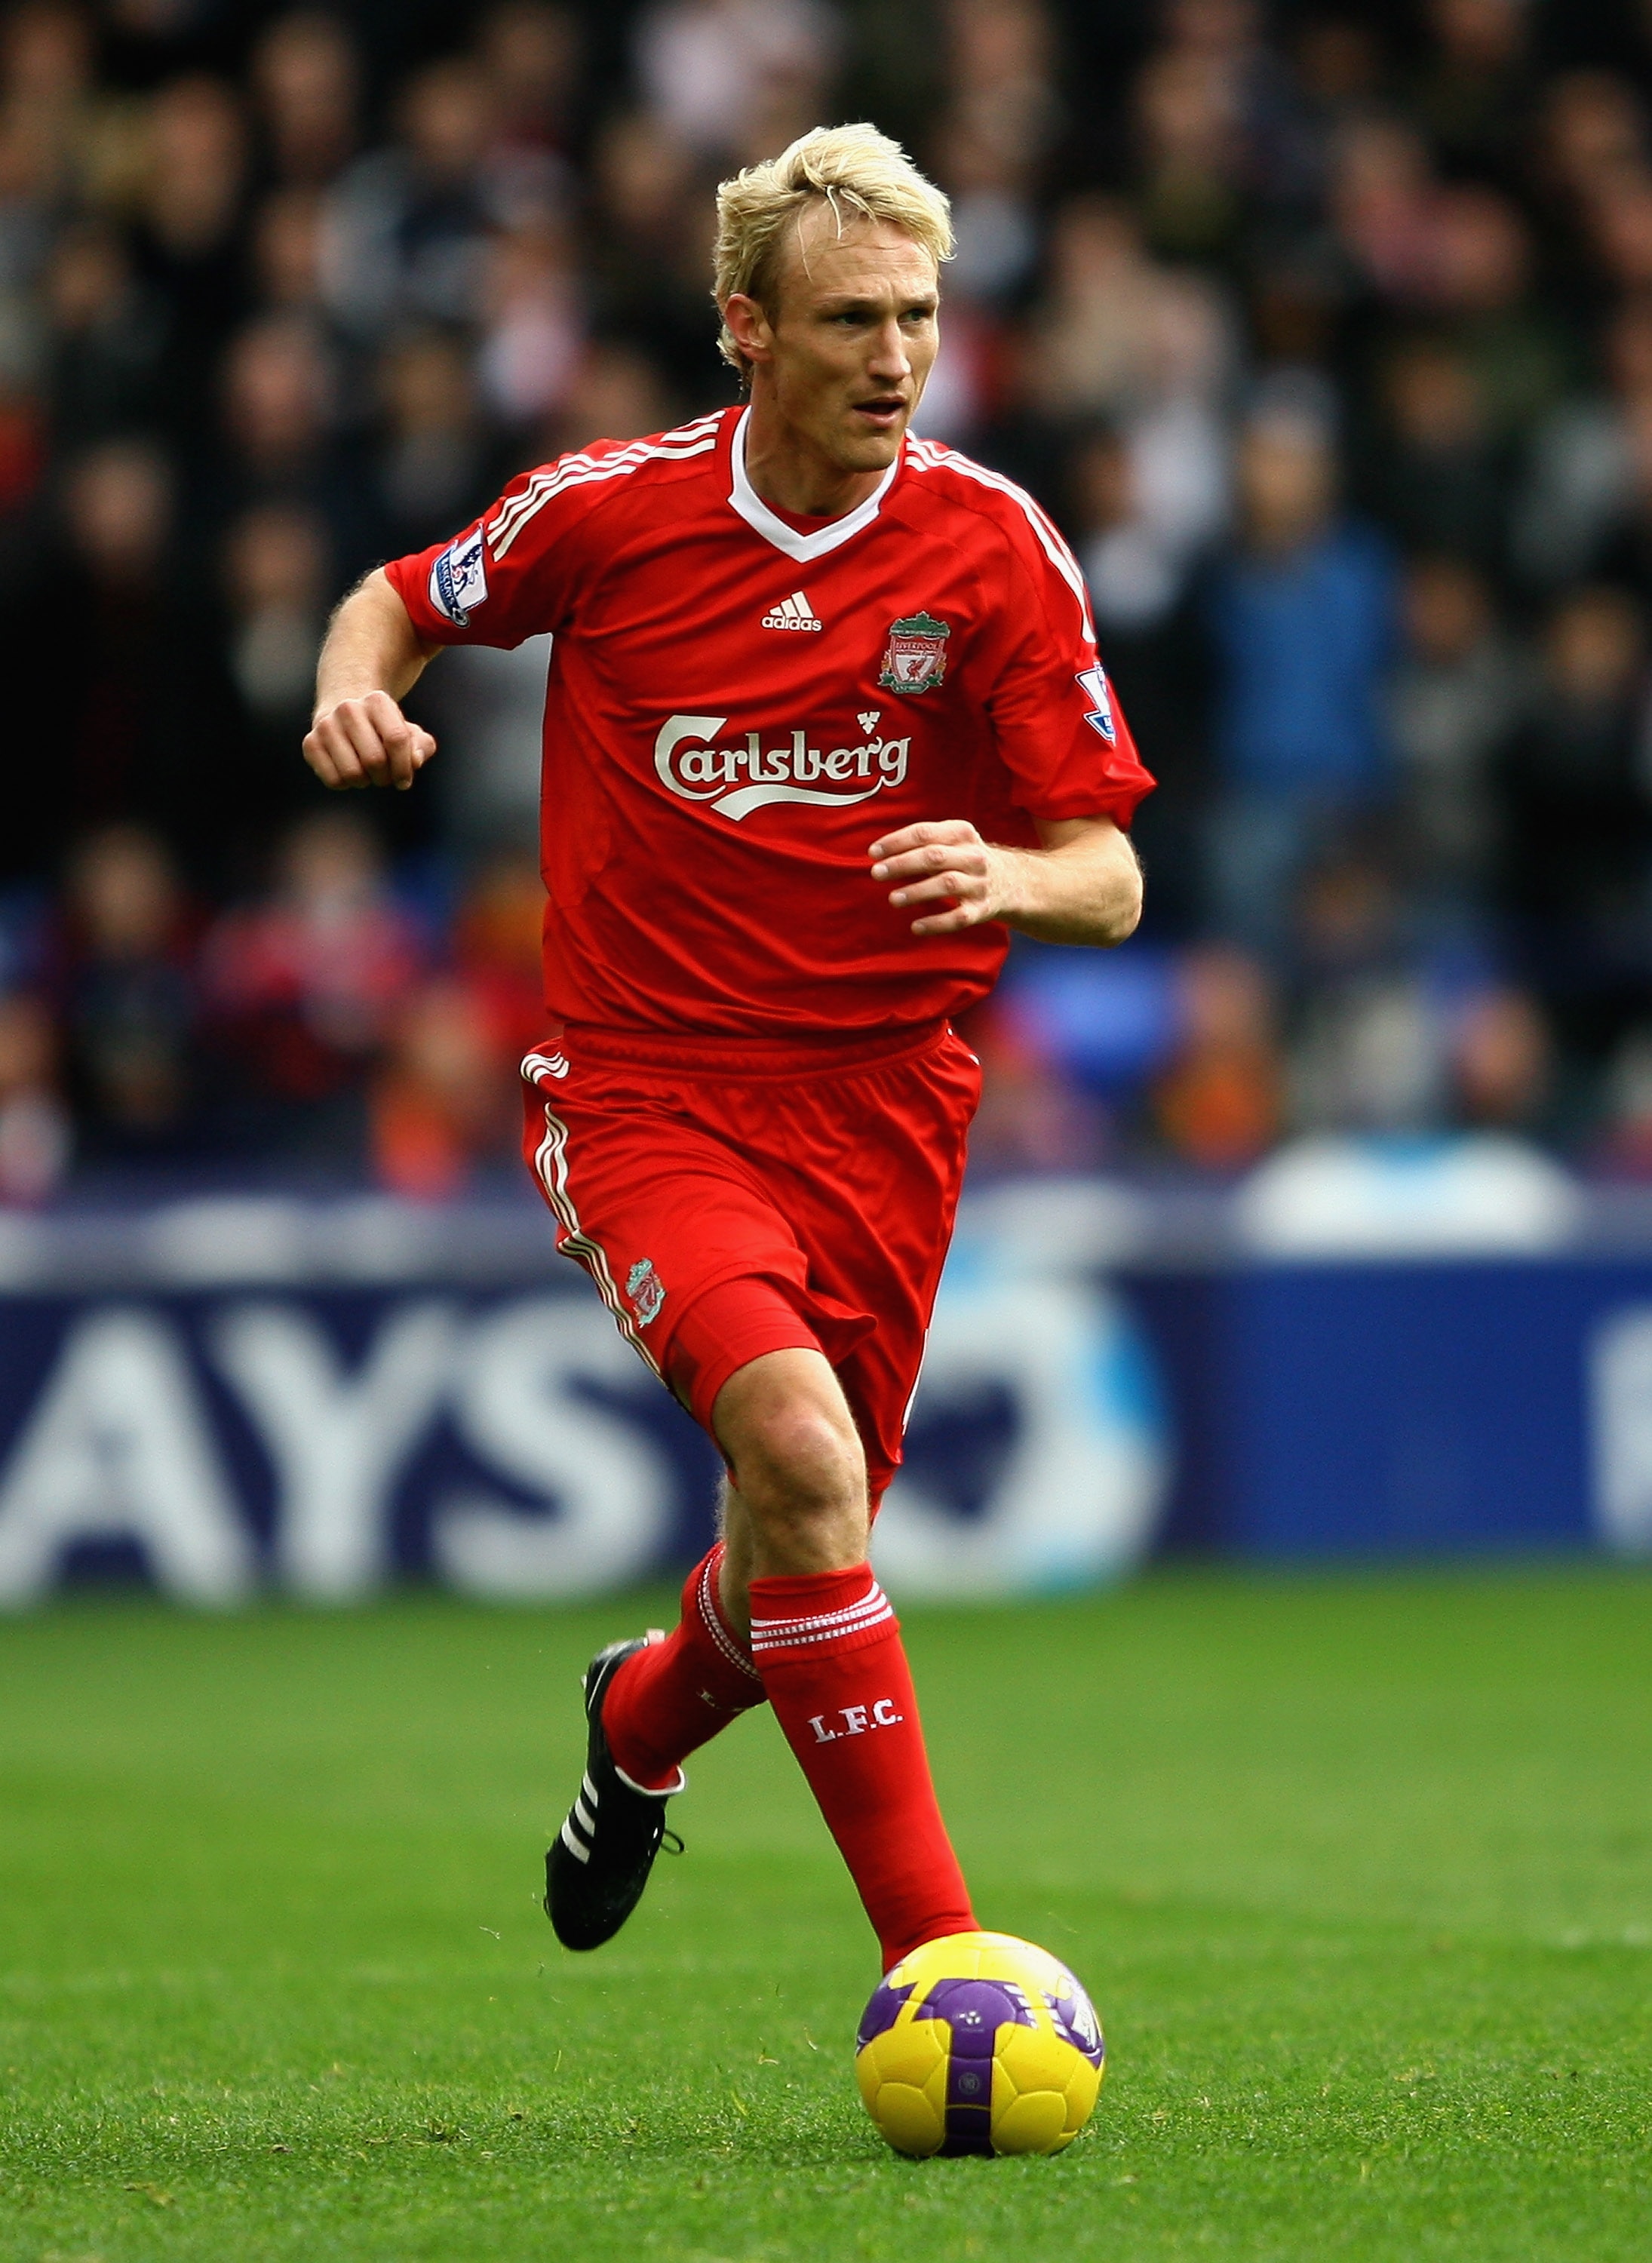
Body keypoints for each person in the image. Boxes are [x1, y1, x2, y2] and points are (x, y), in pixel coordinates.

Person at [302, 124, 1151, 1979]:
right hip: (646, 1095)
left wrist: (1006, 870)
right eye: (851, 318)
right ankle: (943, 1969)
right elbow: (403, 593)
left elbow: (1113, 878)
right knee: (803, 1459)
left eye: (920, 317)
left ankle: (635, 1727)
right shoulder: (610, 510)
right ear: (744, 330)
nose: (896, 358)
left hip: (892, 1113)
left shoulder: (994, 546)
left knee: (793, 1566)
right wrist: (355, 689)